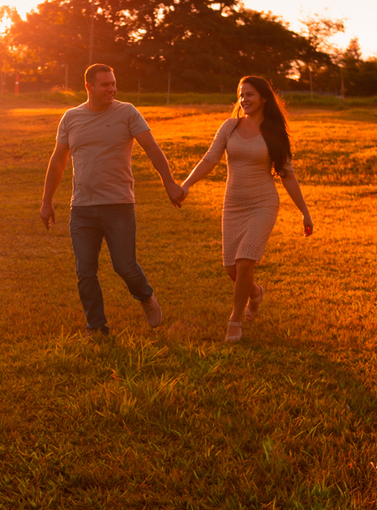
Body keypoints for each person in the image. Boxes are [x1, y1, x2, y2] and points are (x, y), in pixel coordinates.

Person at [40, 63, 185, 336]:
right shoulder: (71, 118)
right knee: (85, 271)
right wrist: (47, 200)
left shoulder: (127, 112)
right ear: (89, 87)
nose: (112, 89)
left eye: (113, 83)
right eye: (105, 84)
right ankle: (96, 326)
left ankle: (145, 296)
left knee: (125, 266)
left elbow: (152, 149)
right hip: (82, 207)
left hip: (118, 205)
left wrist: (169, 183)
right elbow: (58, 161)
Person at [179, 75, 313, 342]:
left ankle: (235, 321)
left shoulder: (274, 133)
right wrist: (186, 185)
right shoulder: (229, 127)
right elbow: (210, 159)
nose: (244, 99)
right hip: (233, 205)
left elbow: (287, 175)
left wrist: (304, 211)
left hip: (263, 203)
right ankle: (255, 293)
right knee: (232, 269)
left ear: (264, 98)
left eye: (249, 94)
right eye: (241, 95)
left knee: (244, 263)